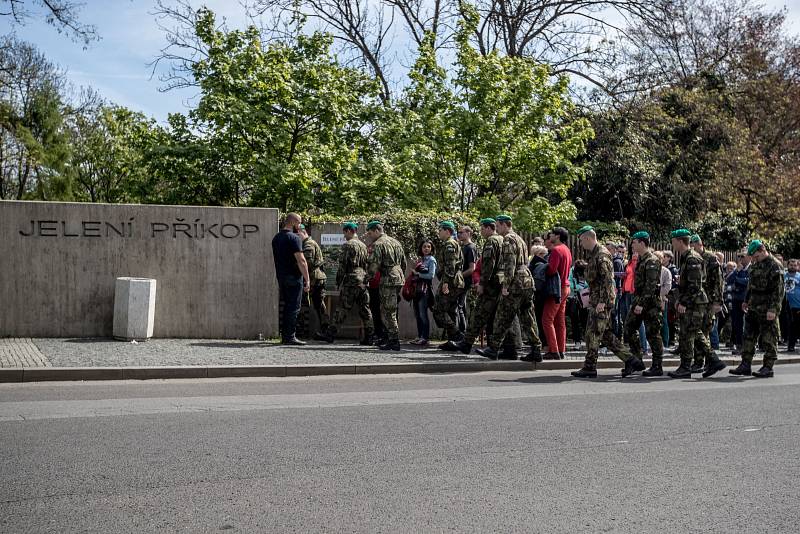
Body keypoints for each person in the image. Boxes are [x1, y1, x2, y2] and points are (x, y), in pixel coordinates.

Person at [571, 226, 641, 378]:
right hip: (597, 300)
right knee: (606, 335)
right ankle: (631, 360)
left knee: (593, 333)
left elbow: (608, 280)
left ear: (588, 238)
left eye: (582, 240)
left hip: (601, 303)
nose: (581, 244)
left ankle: (590, 367)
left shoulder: (602, 255)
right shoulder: (594, 254)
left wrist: (602, 302)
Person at [475, 214, 542, 361]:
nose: (496, 228)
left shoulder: (508, 240)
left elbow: (510, 264)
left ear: (505, 225)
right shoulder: (519, 239)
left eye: (498, 226)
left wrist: (506, 285)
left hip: (516, 283)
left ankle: (493, 349)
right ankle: (536, 350)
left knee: (502, 316)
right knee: (528, 318)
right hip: (527, 281)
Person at [667, 229, 725, 378]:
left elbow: (695, 285)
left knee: (688, 333)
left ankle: (686, 366)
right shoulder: (687, 257)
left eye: (673, 241)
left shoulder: (692, 259)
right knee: (694, 332)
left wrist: (684, 302)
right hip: (693, 301)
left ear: (680, 241)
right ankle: (713, 360)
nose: (672, 244)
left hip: (695, 302)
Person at [730, 240, 786, 377]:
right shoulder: (756, 264)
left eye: (756, 256)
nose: (754, 259)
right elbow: (751, 284)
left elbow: (778, 291)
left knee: (769, 338)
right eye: (753, 257)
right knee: (748, 337)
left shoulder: (775, 266)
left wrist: (773, 309)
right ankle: (745, 364)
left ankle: (768, 367)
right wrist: (746, 300)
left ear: (763, 250)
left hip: (767, 308)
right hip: (753, 307)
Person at [323, 222, 373, 345]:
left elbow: (343, 266)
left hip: (351, 280)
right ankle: (369, 337)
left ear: (349, 231)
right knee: (365, 309)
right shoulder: (363, 245)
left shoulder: (348, 245)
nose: (344, 235)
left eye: (344, 232)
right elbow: (367, 264)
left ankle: (330, 334)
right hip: (363, 280)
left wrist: (337, 282)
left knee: (342, 308)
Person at [623, 231, 665, 376]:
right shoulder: (641, 259)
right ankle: (637, 361)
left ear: (642, 243)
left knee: (652, 334)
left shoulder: (651, 260)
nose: (632, 245)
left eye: (634, 242)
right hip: (638, 300)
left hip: (650, 303)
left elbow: (651, 285)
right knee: (628, 328)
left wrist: (641, 304)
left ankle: (657, 366)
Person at [366, 221, 407, 351]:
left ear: (377, 230)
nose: (369, 235)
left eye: (370, 232)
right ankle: (390, 338)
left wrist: (366, 279)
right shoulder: (396, 242)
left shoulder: (378, 244)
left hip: (388, 278)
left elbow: (374, 265)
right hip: (398, 277)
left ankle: (393, 340)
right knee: (392, 309)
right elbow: (404, 263)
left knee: (388, 310)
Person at [271, 212, 311, 345]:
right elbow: (302, 261)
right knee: (293, 307)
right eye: (299, 222)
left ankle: (285, 336)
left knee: (287, 306)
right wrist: (307, 279)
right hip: (294, 277)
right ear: (293, 222)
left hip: (281, 276)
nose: (300, 225)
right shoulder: (294, 238)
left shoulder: (276, 238)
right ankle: (289, 337)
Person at [689, 235, 724, 372]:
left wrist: (718, 302)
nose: (691, 248)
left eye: (693, 245)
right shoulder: (694, 258)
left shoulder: (711, 258)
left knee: (703, 330)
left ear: (699, 244)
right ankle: (701, 362)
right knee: (700, 330)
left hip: (709, 300)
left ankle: (703, 361)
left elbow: (718, 281)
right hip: (699, 300)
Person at [541, 227, 572, 359]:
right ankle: (561, 349)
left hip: (556, 289)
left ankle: (553, 350)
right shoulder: (567, 250)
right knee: (560, 320)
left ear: (557, 236)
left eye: (552, 234)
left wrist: (542, 268)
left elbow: (552, 270)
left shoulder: (556, 250)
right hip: (565, 287)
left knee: (546, 319)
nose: (550, 237)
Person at [434, 221, 466, 349]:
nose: (439, 232)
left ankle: (457, 335)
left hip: (451, 281)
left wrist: (446, 283)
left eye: (440, 230)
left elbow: (450, 265)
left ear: (447, 231)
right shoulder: (453, 243)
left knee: (439, 309)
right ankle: (453, 341)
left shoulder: (449, 244)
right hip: (455, 280)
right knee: (451, 310)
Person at [297, 225, 329, 339]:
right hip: (316, 278)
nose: (296, 237)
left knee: (312, 305)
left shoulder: (308, 244)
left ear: (303, 232)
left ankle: (318, 331)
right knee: (318, 305)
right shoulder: (308, 243)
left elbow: (307, 262)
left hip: (314, 279)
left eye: (297, 234)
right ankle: (323, 330)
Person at [410, 239, 437, 346]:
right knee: (417, 314)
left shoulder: (431, 260)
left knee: (423, 314)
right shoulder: (420, 259)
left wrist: (418, 274)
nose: (426, 249)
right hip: (416, 289)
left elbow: (431, 275)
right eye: (424, 247)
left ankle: (425, 337)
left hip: (424, 290)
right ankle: (420, 336)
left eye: (428, 247)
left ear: (431, 249)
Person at [729, 252, 751, 354]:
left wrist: (737, 280)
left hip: (746, 300)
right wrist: (736, 271)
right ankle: (739, 345)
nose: (741, 258)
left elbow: (748, 282)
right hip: (736, 299)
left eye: (743, 256)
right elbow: (729, 279)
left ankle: (747, 346)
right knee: (737, 323)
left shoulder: (751, 268)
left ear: (749, 257)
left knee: (746, 324)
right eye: (739, 256)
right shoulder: (738, 269)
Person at [457, 226, 478, 334]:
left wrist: (459, 276)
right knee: (461, 306)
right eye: (458, 232)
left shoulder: (471, 247)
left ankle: (462, 333)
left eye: (461, 232)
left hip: (465, 282)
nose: (459, 234)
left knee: (459, 306)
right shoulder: (462, 247)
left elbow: (472, 268)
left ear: (469, 233)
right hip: (461, 281)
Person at [366, 245, 385, 345]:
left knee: (380, 312)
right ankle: (377, 334)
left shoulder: (381, 255)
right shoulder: (368, 254)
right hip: (371, 286)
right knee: (374, 311)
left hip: (380, 286)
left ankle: (381, 335)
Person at [568, 260, 589, 350]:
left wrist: (584, 288)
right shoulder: (572, 271)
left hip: (585, 298)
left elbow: (590, 282)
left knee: (585, 320)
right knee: (574, 320)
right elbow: (569, 283)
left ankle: (588, 341)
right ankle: (577, 341)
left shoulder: (587, 271)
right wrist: (577, 288)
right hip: (574, 299)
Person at [529, 245, 549, 336]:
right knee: (540, 318)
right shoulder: (541, 265)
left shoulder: (533, 265)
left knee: (537, 318)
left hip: (536, 295)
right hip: (540, 295)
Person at [654, 251, 672, 348]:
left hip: (661, 300)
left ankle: (665, 343)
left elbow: (667, 287)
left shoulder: (666, 271)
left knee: (663, 322)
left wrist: (658, 295)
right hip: (650, 300)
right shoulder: (650, 270)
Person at [785, 258, 800, 353]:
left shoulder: (799, 276)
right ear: (788, 265)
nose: (793, 267)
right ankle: (790, 345)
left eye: (795, 265)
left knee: (796, 325)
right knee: (789, 325)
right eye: (791, 265)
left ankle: (793, 345)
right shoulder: (783, 276)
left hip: (797, 305)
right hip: (786, 304)